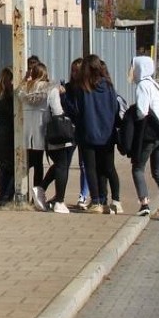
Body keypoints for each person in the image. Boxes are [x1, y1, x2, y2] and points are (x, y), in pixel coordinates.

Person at [128, 56, 159, 221]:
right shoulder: (155, 85)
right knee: (158, 172)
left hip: (149, 135)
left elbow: (142, 111)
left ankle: (144, 204)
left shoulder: (142, 86)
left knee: (138, 167)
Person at [72, 54, 122, 214]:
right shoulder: (108, 86)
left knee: (91, 168)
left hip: (88, 133)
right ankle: (114, 200)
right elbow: (115, 108)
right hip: (107, 134)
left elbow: (75, 110)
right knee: (107, 168)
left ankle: (96, 202)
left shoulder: (82, 88)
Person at [35, 63, 74, 214]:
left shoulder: (27, 90)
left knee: (56, 164)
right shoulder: (51, 89)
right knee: (62, 166)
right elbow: (57, 111)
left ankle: (40, 189)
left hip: (38, 134)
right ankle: (59, 201)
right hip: (55, 133)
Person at [16, 62, 49, 211]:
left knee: (25, 164)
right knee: (38, 165)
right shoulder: (47, 88)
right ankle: (37, 193)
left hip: (25, 130)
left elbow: (18, 93)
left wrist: (24, 80)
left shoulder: (24, 88)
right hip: (40, 129)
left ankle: (20, 192)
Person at [62, 58, 90, 208]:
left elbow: (75, 110)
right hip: (70, 129)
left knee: (84, 164)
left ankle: (83, 195)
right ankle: (60, 195)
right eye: (72, 70)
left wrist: (65, 98)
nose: (74, 74)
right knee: (64, 163)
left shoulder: (86, 89)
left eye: (77, 71)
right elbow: (68, 109)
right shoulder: (68, 88)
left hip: (83, 129)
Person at [0, 67, 15, 205]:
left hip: (0, 134)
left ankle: (2, 196)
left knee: (3, 168)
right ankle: (7, 197)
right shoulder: (12, 97)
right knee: (13, 168)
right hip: (11, 135)